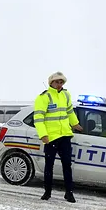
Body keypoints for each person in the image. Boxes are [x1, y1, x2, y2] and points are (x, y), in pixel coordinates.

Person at [33, 71, 81, 202]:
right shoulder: (44, 97)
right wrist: (43, 135)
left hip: (65, 135)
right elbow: (38, 118)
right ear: (51, 83)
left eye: (61, 82)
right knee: (49, 166)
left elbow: (69, 111)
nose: (59, 84)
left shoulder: (66, 95)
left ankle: (69, 193)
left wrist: (75, 123)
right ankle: (47, 192)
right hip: (51, 138)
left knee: (67, 165)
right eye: (57, 82)